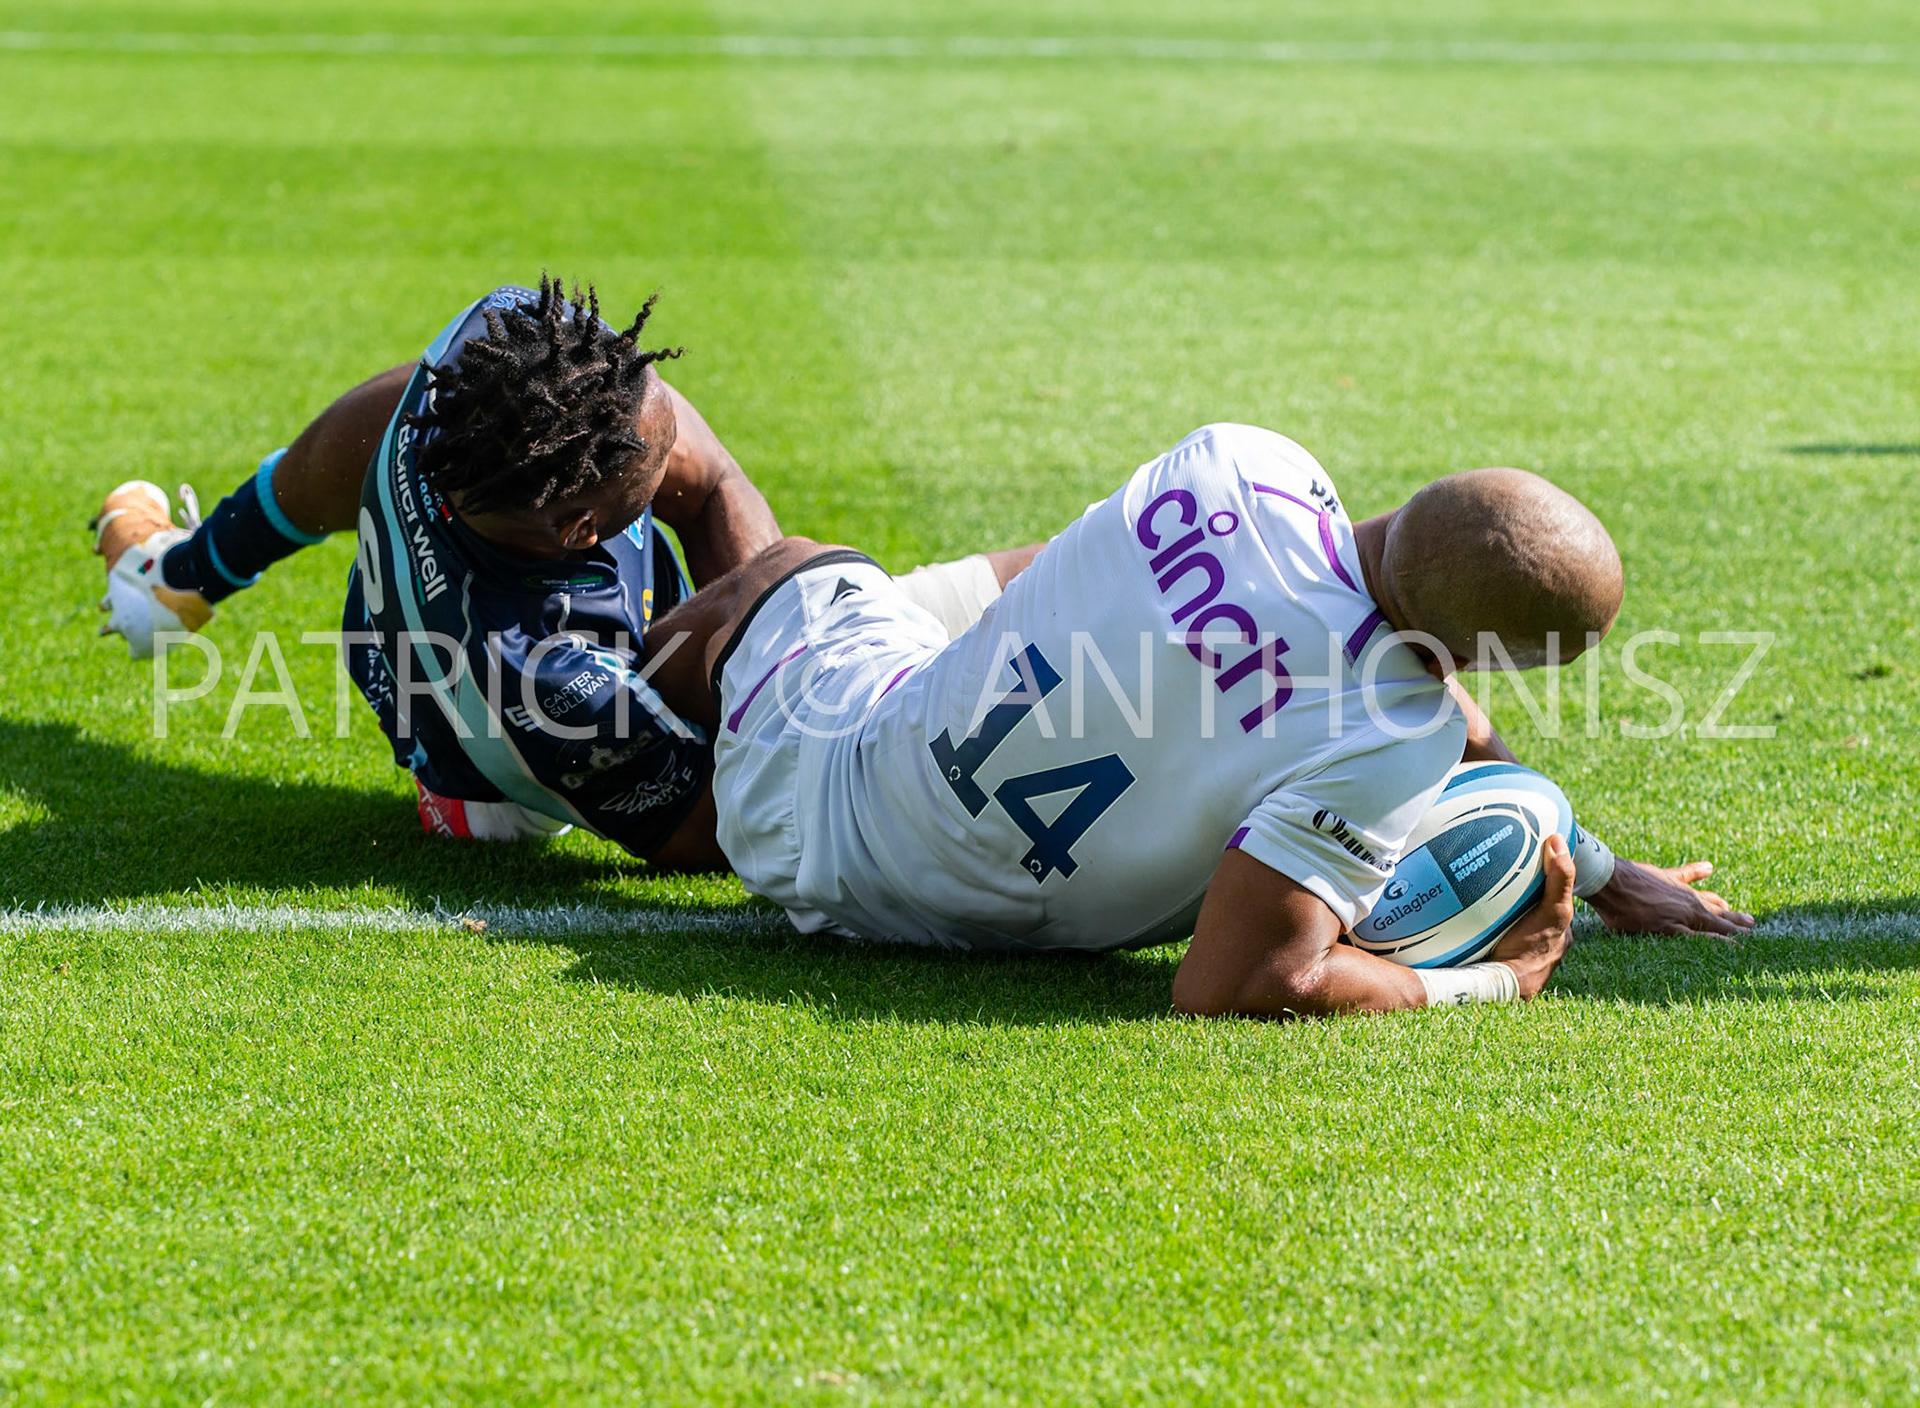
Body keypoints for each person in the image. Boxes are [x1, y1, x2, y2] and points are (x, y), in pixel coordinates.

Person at [632, 422, 1753, 1016]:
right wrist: (1502, 976)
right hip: (872, 910)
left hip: (820, 758)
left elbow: (1371, 661)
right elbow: (1235, 986)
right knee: (809, 568)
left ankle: (596, 732)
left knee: (788, 567)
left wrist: (1588, 856)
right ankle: (575, 747)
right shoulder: (1385, 735)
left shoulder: (1243, 460)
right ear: (1474, 658)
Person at [89, 278, 1017, 863]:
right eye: (656, 456)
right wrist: (822, 704)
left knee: (983, 590)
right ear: (581, 528)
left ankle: (167, 578)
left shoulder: (495, 356)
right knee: (859, 711)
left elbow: (371, 422)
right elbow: (709, 832)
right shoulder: (545, 674)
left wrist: (207, 565)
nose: (685, 443)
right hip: (503, 782)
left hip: (549, 634)